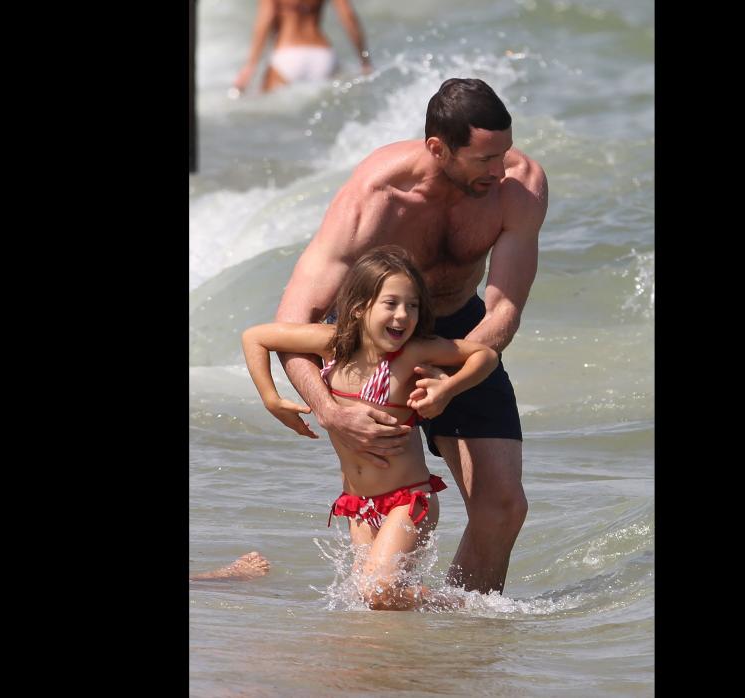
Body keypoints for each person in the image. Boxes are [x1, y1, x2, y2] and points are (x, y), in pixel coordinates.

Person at [272, 78, 549, 594]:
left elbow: (505, 306)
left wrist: (450, 382)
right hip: (367, 340)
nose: (500, 169)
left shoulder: (520, 186)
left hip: (459, 332)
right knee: (383, 513)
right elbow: (295, 323)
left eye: (505, 152)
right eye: (484, 159)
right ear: (437, 149)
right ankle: (390, 633)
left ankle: (460, 636)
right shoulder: (377, 195)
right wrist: (331, 411)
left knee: (503, 507)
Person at [238, 246, 497, 610]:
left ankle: (463, 607)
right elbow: (255, 337)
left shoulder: (413, 353)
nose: (403, 315)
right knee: (370, 604)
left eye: (413, 306)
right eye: (391, 303)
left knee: (378, 592)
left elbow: (485, 355)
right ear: (360, 307)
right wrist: (272, 399)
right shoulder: (334, 346)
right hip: (358, 505)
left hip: (409, 501)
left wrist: (446, 390)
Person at [232, 0, 371, 95]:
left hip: (286, 56)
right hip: (323, 56)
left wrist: (250, 66)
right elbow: (348, 17)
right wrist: (364, 59)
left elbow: (265, 20)